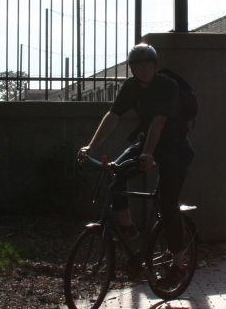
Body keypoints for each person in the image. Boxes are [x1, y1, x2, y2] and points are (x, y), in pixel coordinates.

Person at [77, 43, 194, 284]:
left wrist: (148, 154)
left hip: (174, 146)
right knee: (116, 171)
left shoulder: (167, 86)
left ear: (155, 65)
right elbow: (113, 115)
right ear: (132, 69)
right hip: (147, 142)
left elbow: (158, 123)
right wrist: (91, 146)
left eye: (149, 64)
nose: (145, 69)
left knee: (168, 202)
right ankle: (128, 226)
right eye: (140, 65)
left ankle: (179, 265)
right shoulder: (131, 87)